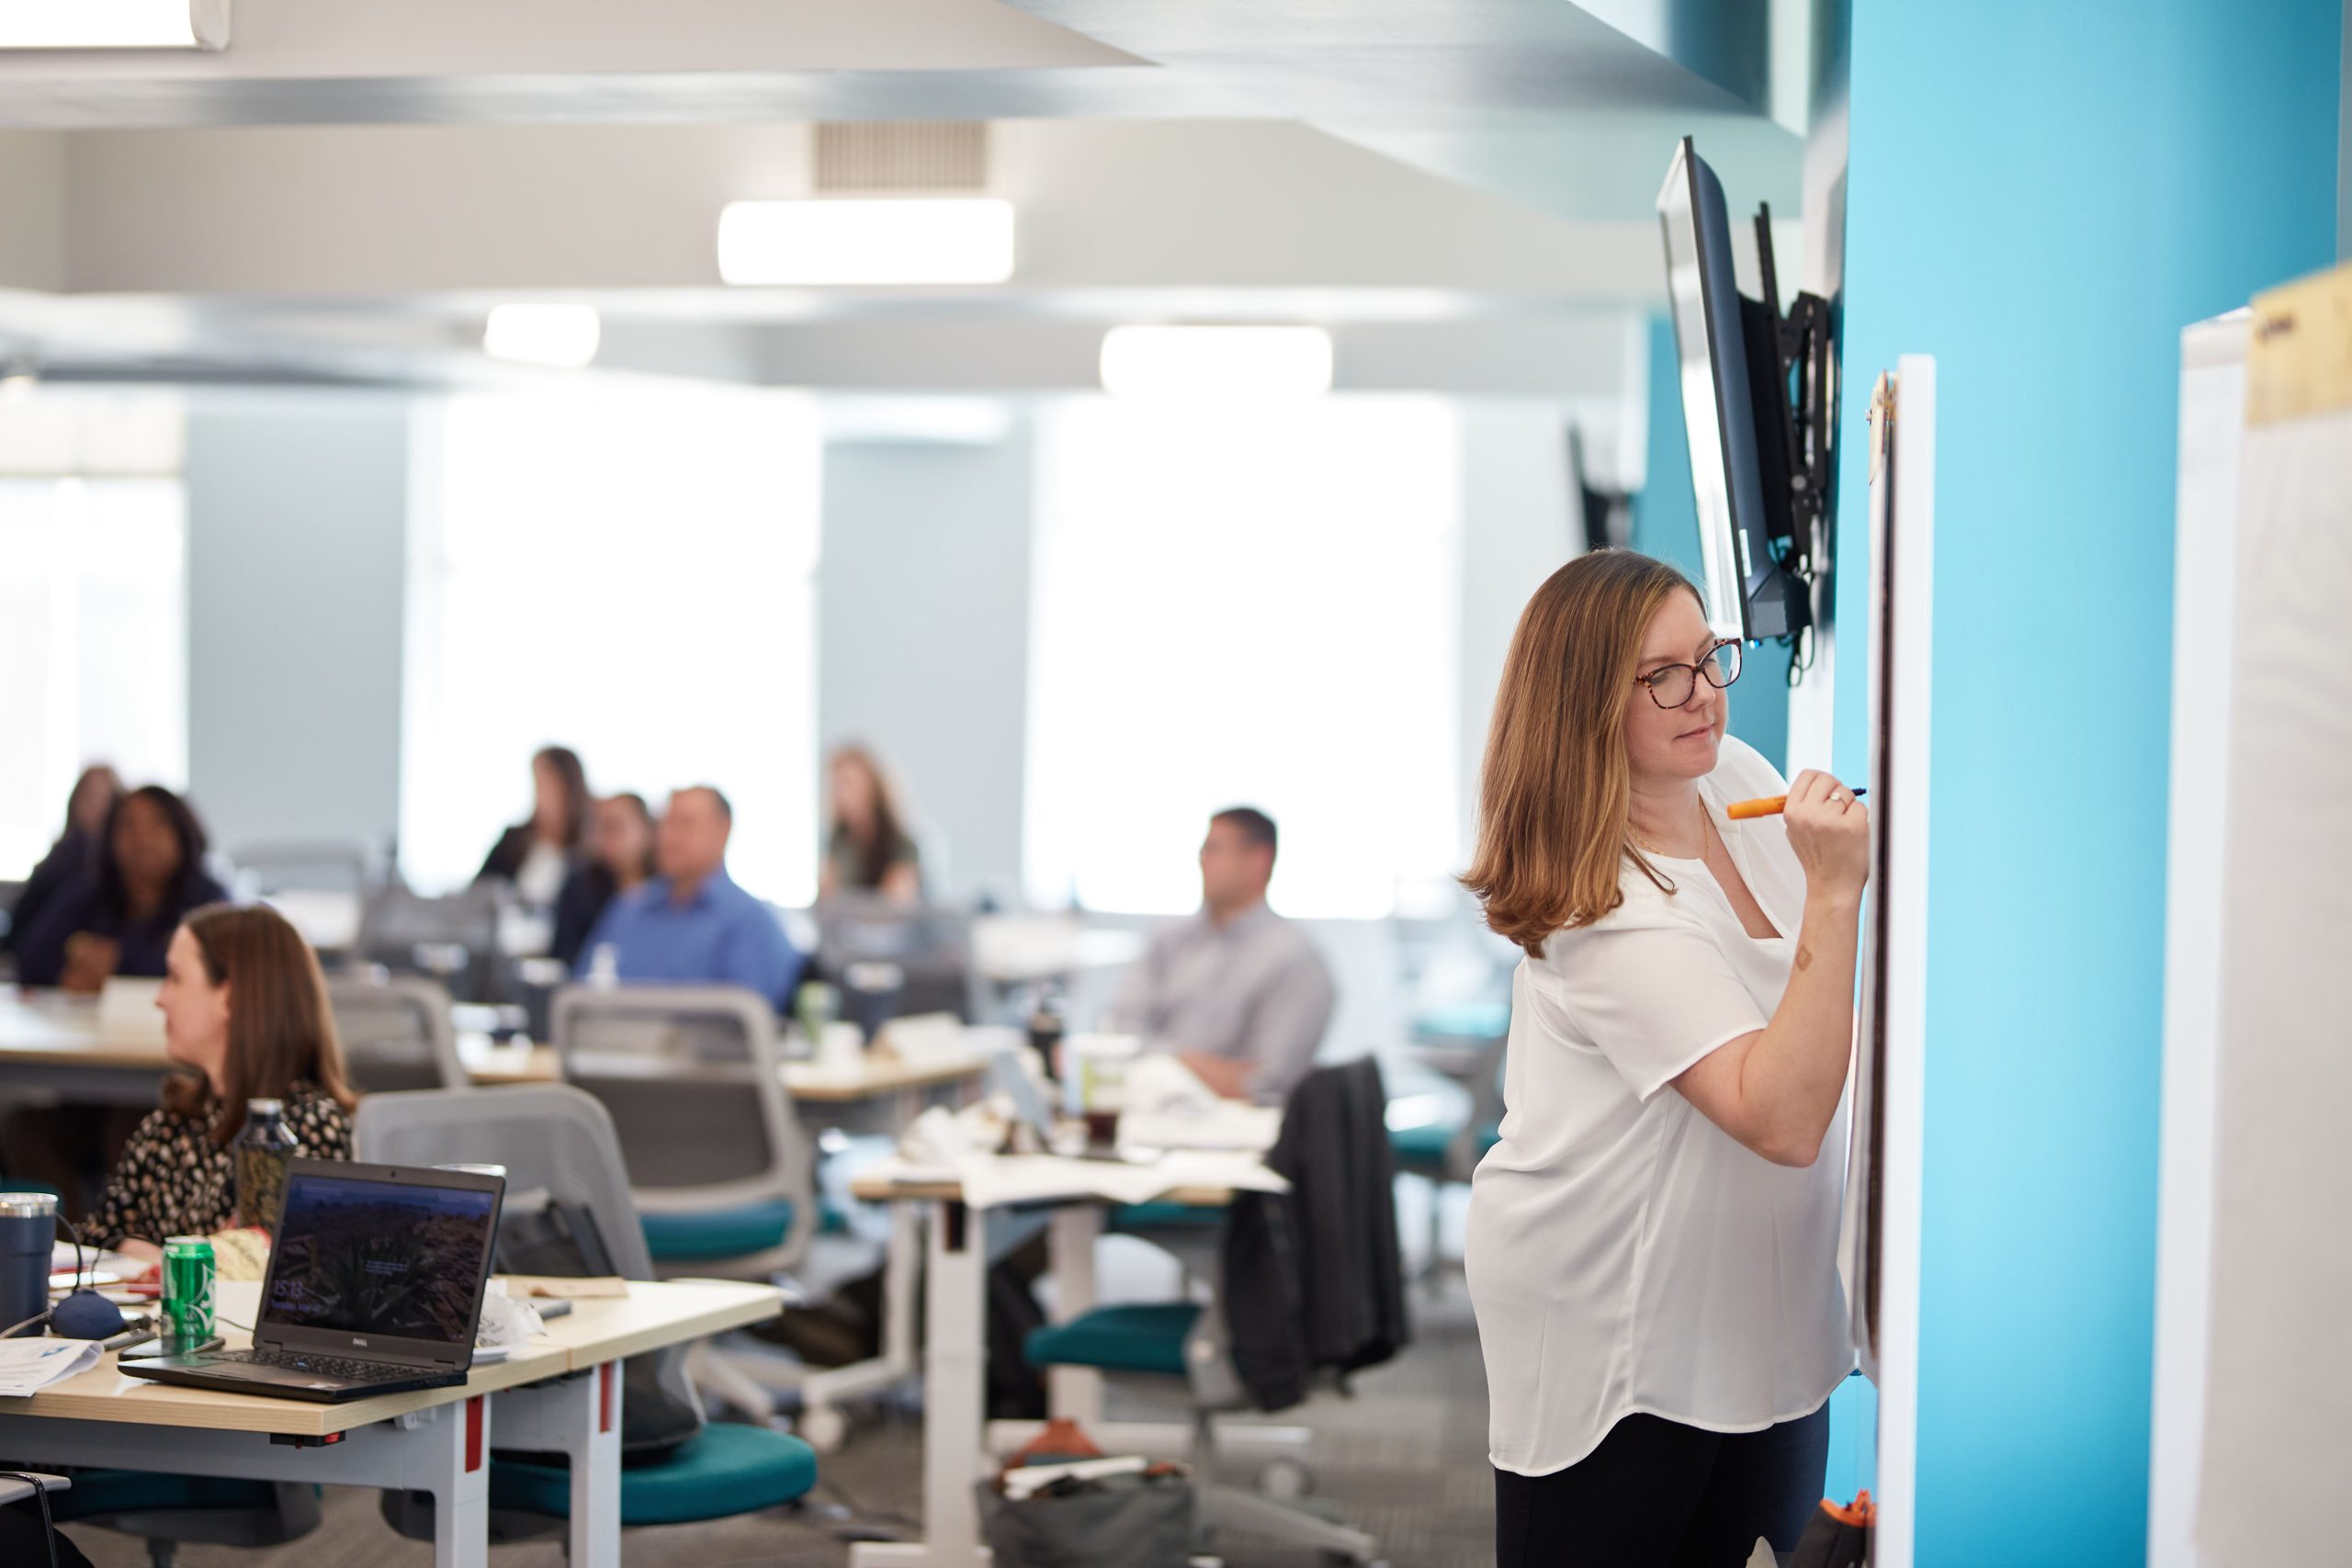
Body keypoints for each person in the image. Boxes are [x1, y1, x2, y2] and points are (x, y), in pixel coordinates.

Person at [1458, 551, 1868, 1567]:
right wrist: (1833, 894)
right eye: (1663, 676)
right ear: (1586, 706)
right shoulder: (1596, 903)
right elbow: (1778, 1117)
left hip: (1752, 1292)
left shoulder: (1732, 779)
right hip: (1613, 1314)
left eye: (1710, 658)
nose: (1705, 696)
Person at [91, 903, 357, 1260]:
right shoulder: (173, 1123)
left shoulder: (304, 1131)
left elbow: (276, 1272)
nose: (160, 998)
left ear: (229, 997)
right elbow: (97, 1237)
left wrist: (156, 1258)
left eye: (175, 978)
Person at [1106, 807, 1334, 1106]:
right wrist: (1193, 1064)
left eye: (1214, 849)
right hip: (1146, 1112)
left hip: (1239, 1130)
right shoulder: (1170, 940)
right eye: (1202, 849)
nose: (1202, 861)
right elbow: (1118, 1032)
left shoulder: (1296, 962)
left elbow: (1263, 1083)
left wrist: (1155, 1059)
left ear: (1259, 860)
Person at [577, 785, 805, 1008]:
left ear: (723, 830)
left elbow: (749, 1020)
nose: (668, 836)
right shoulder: (627, 910)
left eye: (685, 824)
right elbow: (581, 995)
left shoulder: (750, 922)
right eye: (665, 823)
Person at [14, 785, 230, 993]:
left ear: (182, 832)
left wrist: (118, 961)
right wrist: (66, 974)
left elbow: (217, 968)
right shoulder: (88, 892)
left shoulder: (208, 901)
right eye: (128, 825)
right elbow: (29, 958)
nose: (142, 838)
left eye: (158, 823)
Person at [1, 764, 119, 964]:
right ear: (75, 802)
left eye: (106, 799)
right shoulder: (66, 858)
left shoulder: (118, 876)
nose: (97, 807)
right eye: (89, 798)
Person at [551, 792, 658, 968]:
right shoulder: (580, 890)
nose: (605, 838)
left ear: (647, 830)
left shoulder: (671, 892)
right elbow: (563, 959)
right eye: (598, 827)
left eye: (615, 827)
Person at [476, 745, 590, 908]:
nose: (540, 796)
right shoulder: (513, 841)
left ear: (568, 788)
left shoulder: (588, 862)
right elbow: (478, 893)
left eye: (548, 786)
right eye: (538, 785)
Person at [817, 743, 923, 904]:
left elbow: (895, 905)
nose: (840, 795)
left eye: (847, 783)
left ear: (871, 787)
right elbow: (826, 901)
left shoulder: (901, 843)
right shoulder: (839, 840)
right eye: (836, 786)